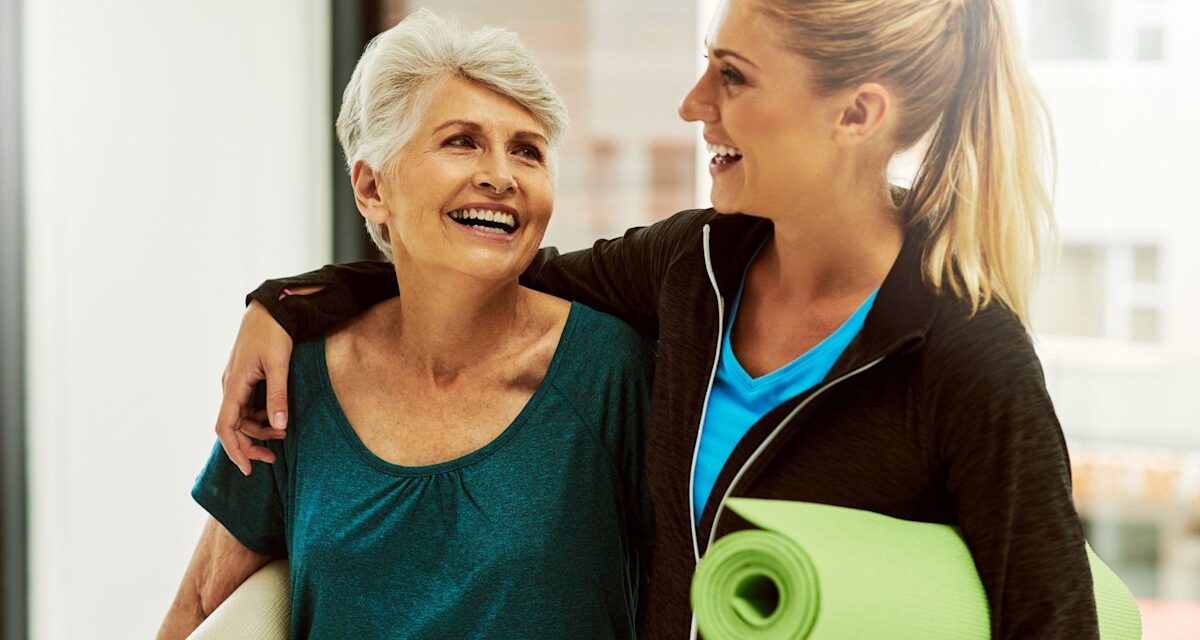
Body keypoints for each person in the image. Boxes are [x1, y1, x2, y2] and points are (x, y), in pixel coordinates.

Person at [214, 0, 1098, 637]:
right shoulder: (693, 268)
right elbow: (486, 267)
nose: (694, 102)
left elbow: (1051, 619)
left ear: (856, 115)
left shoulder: (966, 355)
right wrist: (287, 305)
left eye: (734, 76)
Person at [158, 10, 653, 639]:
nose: (501, 176)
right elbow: (200, 608)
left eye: (526, 151)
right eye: (462, 141)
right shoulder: (295, 379)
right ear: (371, 188)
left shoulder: (609, 371)